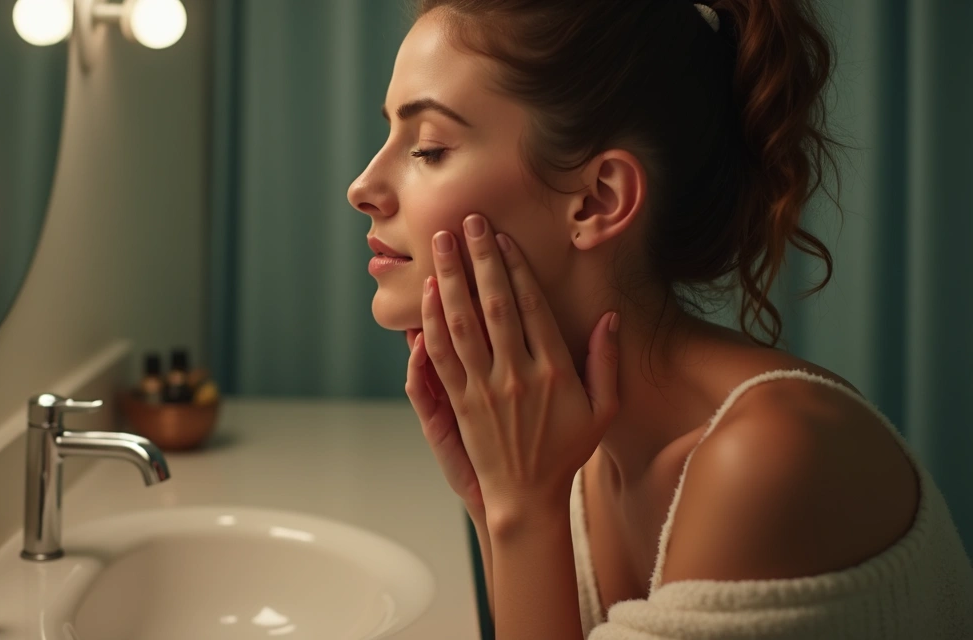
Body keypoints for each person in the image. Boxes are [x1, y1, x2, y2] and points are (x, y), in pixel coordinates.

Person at [346, 1, 973, 638]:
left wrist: (520, 513)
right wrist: (494, 502)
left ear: (597, 199)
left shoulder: (765, 459)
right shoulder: (577, 446)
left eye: (426, 148)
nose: (362, 185)